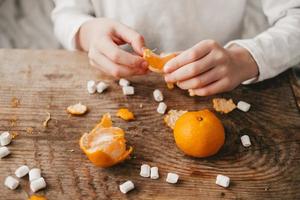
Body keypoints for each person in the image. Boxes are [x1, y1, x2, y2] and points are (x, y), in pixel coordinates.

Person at [51, 0, 300, 96]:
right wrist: (87, 32)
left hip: (222, 85)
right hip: (119, 85)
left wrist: (245, 59)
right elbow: (67, 13)